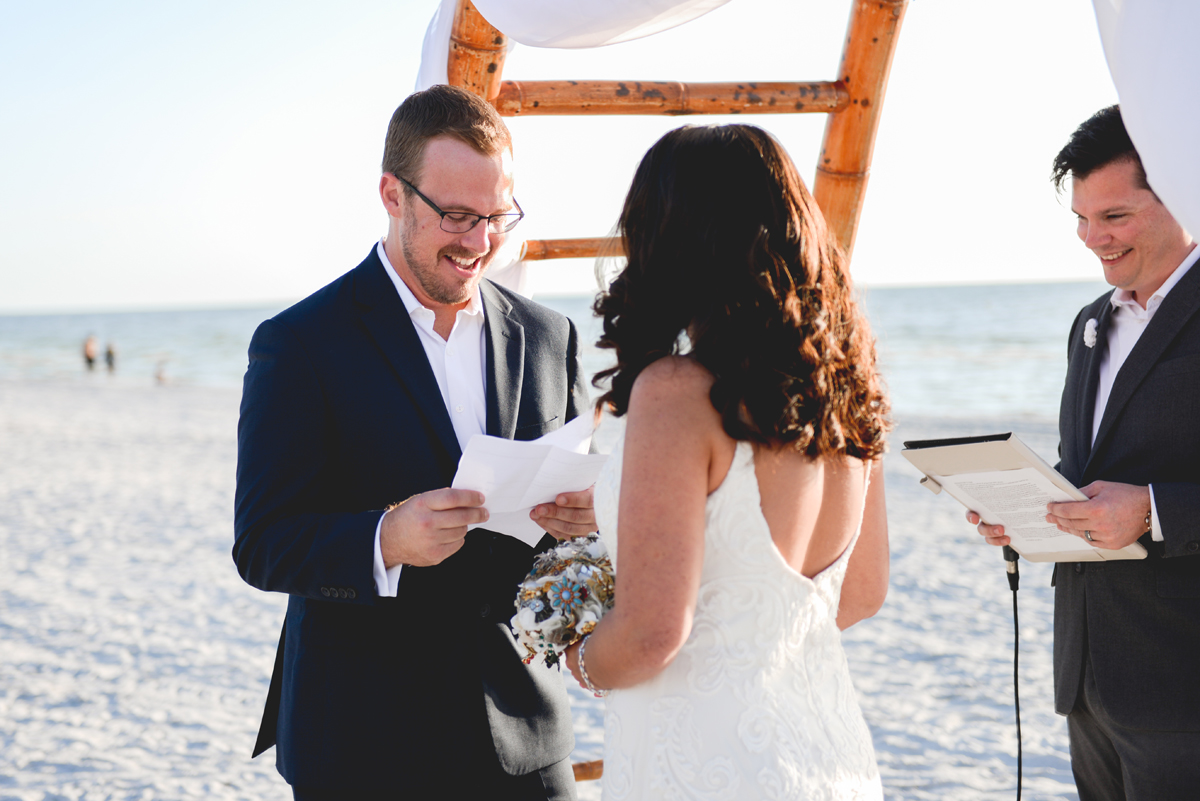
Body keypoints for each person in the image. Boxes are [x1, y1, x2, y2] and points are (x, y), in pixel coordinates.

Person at [234, 85, 595, 800]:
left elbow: (576, 536)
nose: (480, 242)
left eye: (497, 216)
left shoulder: (550, 336)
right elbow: (263, 541)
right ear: (392, 195)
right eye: (457, 215)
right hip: (361, 741)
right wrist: (385, 538)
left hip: (523, 733)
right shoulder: (300, 344)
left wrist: (587, 516)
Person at [564, 124, 891, 799]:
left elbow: (654, 634)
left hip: (710, 769)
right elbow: (860, 594)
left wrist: (579, 655)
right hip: (828, 756)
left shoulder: (676, 391)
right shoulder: (846, 386)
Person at [970, 105, 1200, 799]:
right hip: (1087, 680)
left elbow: (1142, 502)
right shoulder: (1090, 324)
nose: (1093, 238)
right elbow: (1086, 472)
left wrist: (1154, 511)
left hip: (1182, 684)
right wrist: (1027, 512)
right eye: (1081, 217)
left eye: (1116, 217)